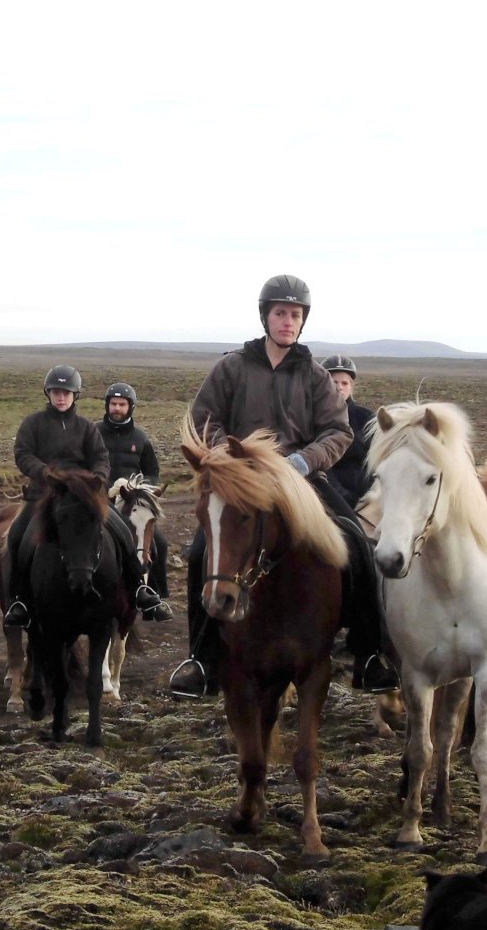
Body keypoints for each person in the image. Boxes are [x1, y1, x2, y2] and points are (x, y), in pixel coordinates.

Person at [169, 275, 400, 698]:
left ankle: (369, 655)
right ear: (265, 317)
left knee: (356, 542)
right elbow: (205, 417)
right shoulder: (232, 367)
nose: (287, 321)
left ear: (302, 321)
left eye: (295, 315)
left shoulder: (314, 375)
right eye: (280, 313)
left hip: (301, 481)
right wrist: (232, 457)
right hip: (240, 482)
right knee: (203, 549)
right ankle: (202, 659)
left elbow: (338, 432)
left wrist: (301, 460)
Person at [2, 365, 171, 630]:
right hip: (42, 495)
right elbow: (23, 454)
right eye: (57, 392)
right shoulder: (32, 424)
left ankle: (139, 588)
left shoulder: (86, 428)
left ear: (75, 396)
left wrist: (98, 480)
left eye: (67, 393)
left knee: (123, 531)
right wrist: (45, 472)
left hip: (83, 497)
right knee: (17, 538)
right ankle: (19, 601)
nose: (61, 397)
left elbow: (101, 458)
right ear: (48, 394)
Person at [98, 381, 169, 602]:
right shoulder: (93, 432)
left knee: (160, 544)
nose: (116, 408)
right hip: (100, 501)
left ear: (131, 407)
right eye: (113, 404)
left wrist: (139, 488)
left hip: (131, 504)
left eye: (121, 404)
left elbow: (152, 471)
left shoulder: (141, 438)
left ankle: (154, 597)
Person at [322, 354, 375, 507]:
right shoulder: (313, 419)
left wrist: (368, 496)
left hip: (368, 499)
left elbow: (377, 461)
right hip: (329, 499)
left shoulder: (367, 418)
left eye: (345, 383)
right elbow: (320, 465)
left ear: (351, 386)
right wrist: (343, 497)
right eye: (334, 382)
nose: (339, 387)